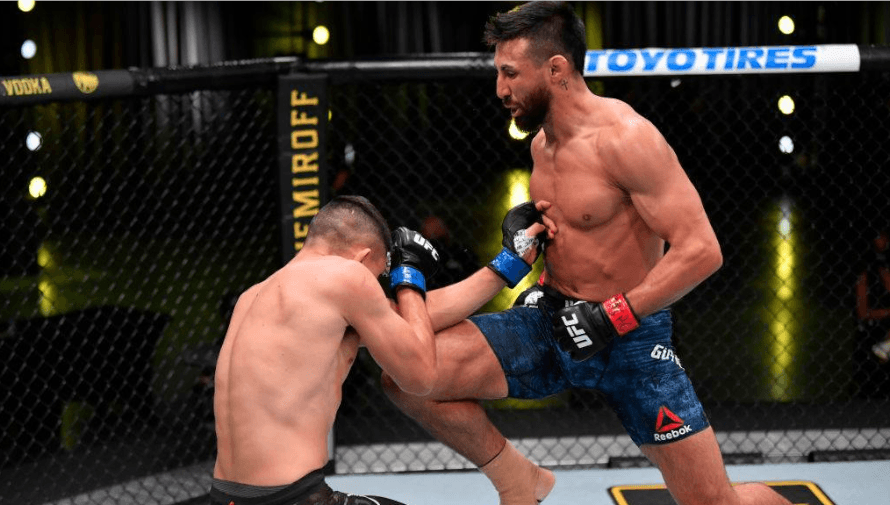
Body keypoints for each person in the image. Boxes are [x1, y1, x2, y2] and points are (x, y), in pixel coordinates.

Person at [382, 3, 792, 505]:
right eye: (498, 74)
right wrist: (528, 243)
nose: (500, 90)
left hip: (632, 338)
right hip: (551, 323)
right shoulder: (541, 146)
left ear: (556, 68)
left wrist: (613, 316)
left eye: (510, 73)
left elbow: (702, 251)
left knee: (713, 501)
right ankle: (517, 478)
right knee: (406, 375)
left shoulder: (627, 139)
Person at [211, 195, 548, 505]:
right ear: (361, 258)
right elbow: (421, 377)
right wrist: (409, 276)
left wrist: (509, 264)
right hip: (292, 499)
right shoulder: (346, 276)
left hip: (225, 496)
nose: (373, 285)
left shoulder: (256, 296)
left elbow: (408, 318)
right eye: (376, 276)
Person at [853, 230, 890, 396]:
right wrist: (887, 312)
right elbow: (863, 313)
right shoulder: (866, 275)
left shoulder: (884, 268)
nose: (883, 242)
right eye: (878, 237)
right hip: (873, 333)